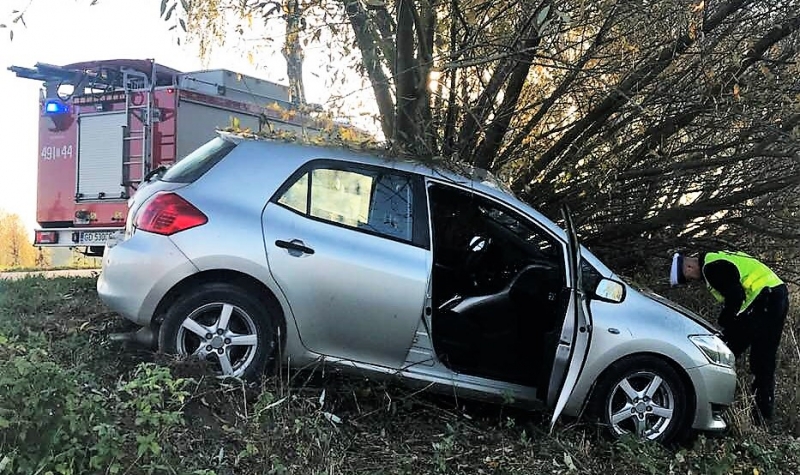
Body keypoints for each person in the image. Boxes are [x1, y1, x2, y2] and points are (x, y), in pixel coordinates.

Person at [670, 250, 790, 421]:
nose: (692, 282)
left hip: (765, 299)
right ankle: (762, 416)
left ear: (689, 267)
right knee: (763, 360)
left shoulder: (711, 268)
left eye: (688, 278)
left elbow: (736, 297)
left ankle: (708, 405)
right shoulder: (716, 257)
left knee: (722, 352)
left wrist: (724, 321)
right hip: (775, 294)